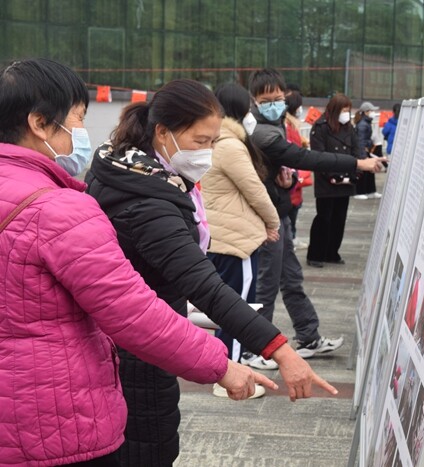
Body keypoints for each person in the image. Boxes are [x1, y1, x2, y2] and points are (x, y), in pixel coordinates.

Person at [0, 58, 279, 466]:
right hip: (52, 421)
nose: (81, 132)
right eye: (77, 119)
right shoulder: (59, 209)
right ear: (40, 124)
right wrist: (221, 366)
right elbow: (132, 313)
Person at [85, 78, 337, 465]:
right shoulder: (148, 202)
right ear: (163, 132)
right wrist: (281, 350)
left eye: (213, 141)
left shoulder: (127, 167)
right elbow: (204, 286)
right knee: (148, 448)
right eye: (200, 141)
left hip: (138, 339)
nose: (207, 152)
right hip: (140, 353)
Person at [246, 68, 385, 358]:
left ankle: (308, 336)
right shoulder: (260, 132)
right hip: (266, 219)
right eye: (266, 100)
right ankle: (254, 349)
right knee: (266, 285)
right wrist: (357, 164)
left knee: (291, 278)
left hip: (279, 212)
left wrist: (287, 181)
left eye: (278, 98)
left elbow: (280, 168)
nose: (274, 104)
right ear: (254, 100)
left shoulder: (276, 124)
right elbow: (306, 158)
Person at [200, 82, 281, 381]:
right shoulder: (230, 145)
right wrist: (272, 222)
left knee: (226, 303)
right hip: (236, 241)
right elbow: (255, 191)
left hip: (221, 235)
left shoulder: (215, 141)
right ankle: (230, 370)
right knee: (239, 306)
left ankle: (230, 361)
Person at [307, 93, 361, 267]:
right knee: (324, 218)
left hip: (346, 181)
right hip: (327, 182)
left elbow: (358, 149)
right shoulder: (320, 127)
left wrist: (356, 171)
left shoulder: (349, 128)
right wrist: (333, 175)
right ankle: (316, 254)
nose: (346, 114)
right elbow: (318, 155)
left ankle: (332, 253)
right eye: (343, 110)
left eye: (348, 110)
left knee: (339, 219)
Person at [284, 90, 312, 250]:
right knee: (291, 211)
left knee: (293, 210)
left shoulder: (290, 124)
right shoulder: (289, 126)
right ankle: (290, 240)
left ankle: (292, 238)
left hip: (294, 177)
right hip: (292, 177)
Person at [353, 101, 382, 200]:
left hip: (366, 150)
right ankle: (359, 192)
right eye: (371, 111)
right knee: (363, 172)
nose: (373, 113)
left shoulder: (366, 123)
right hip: (362, 151)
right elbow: (360, 141)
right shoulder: (363, 124)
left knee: (370, 172)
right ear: (366, 112)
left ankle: (370, 191)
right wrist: (363, 155)